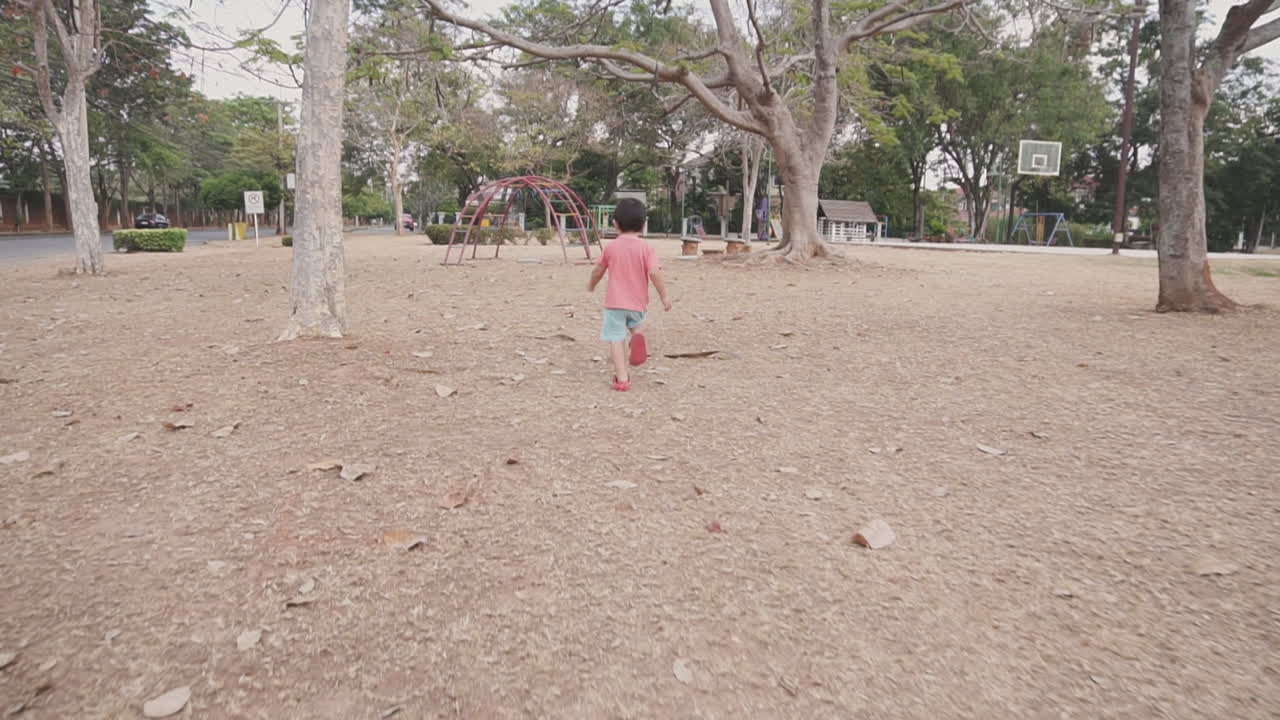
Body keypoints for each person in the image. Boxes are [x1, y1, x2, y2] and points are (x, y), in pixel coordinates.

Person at [587, 198, 672, 392]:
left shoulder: (611, 247)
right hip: (638, 303)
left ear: (615, 224)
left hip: (615, 303)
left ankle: (622, 377)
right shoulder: (647, 248)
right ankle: (638, 336)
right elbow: (655, 272)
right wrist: (664, 296)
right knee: (635, 326)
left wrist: (591, 285)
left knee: (616, 338)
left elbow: (598, 270)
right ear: (644, 224)